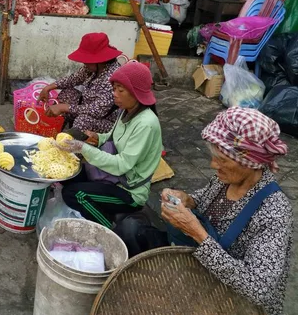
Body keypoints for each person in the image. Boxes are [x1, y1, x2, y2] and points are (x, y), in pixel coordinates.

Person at [117, 108, 292, 315]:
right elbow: (202, 199)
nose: (213, 165)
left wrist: (197, 233)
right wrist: (186, 199)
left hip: (233, 301)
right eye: (213, 156)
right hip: (199, 268)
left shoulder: (274, 211)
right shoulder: (224, 179)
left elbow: (258, 288)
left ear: (251, 163)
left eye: (222, 160)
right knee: (130, 228)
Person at [53, 61, 162, 228]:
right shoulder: (125, 110)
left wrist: (83, 148)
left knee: (75, 195)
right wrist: (98, 137)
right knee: (70, 175)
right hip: (112, 177)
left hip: (129, 191)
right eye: (114, 89)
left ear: (135, 93)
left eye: (120, 90)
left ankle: (110, 229)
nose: (115, 95)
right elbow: (113, 138)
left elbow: (122, 165)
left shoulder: (146, 123)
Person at [39, 33, 121, 135]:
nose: (84, 63)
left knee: (83, 121)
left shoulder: (111, 77)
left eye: (87, 60)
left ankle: (72, 146)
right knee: (68, 93)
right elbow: (74, 79)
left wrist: (64, 107)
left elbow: (97, 111)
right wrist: (48, 88)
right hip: (87, 108)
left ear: (99, 60)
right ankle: (57, 130)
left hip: (106, 121)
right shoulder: (93, 68)